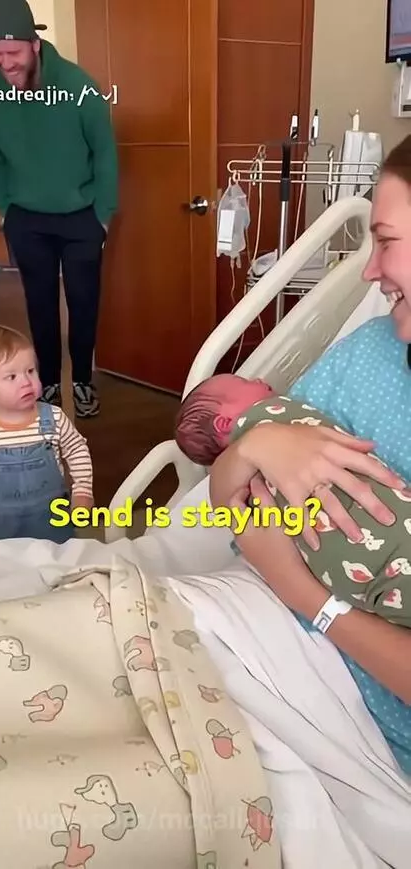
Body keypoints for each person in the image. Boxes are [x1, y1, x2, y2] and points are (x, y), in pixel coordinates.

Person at [208, 133, 411, 775]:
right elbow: (226, 499)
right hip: (261, 633)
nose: (370, 271)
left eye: (386, 241)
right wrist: (257, 443)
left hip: (356, 724)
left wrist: (302, 592)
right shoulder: (369, 352)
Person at [0, 0, 118, 418]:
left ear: (34, 44)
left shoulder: (79, 87)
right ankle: (47, 382)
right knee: (40, 304)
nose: (5, 63)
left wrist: (103, 214)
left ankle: (83, 381)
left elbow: (104, 153)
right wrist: (6, 205)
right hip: (27, 218)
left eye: (13, 53)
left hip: (81, 216)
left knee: (83, 302)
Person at [174, 372, 411, 626]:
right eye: (245, 383)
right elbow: (223, 496)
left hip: (359, 576)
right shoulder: (267, 418)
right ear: (224, 423)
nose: (258, 380)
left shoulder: (245, 479)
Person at [0, 325, 93, 544]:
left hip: (53, 529)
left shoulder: (55, 419)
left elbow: (78, 450)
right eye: (11, 377)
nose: (26, 382)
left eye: (30, 371)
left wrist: (83, 491)